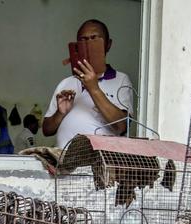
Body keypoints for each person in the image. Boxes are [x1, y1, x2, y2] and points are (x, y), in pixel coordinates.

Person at [42, 19, 133, 149]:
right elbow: (46, 130)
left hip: (98, 164)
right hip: (63, 160)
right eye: (83, 40)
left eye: (94, 38)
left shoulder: (121, 80)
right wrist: (60, 113)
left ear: (108, 44)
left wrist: (94, 88)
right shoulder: (66, 83)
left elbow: (122, 126)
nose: (88, 44)